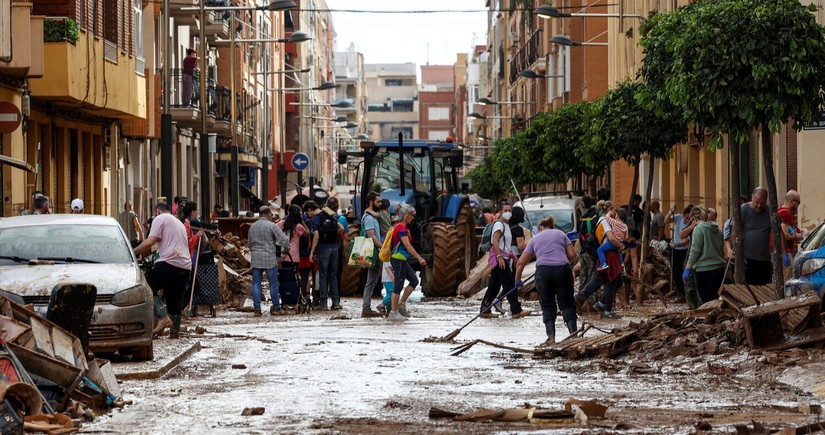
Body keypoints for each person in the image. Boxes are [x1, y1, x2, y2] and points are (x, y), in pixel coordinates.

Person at [515, 215, 577, 346]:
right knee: (567, 302)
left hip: (543, 272)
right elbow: (572, 255)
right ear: (552, 226)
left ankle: (551, 337)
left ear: (540, 228)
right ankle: (574, 335)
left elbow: (521, 262)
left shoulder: (535, 239)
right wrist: (564, 263)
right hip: (562, 270)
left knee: (547, 304)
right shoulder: (561, 234)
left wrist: (518, 279)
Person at [133, 203, 192, 338]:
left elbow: (150, 241)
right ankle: (174, 333)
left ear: (157, 211)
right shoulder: (179, 223)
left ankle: (162, 318)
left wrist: (133, 251)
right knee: (174, 300)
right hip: (185, 266)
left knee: (146, 285)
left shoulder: (160, 219)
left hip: (170, 262)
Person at [575, 214, 640, 319]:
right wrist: (620, 246)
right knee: (611, 283)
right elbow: (611, 239)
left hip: (609, 259)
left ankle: (586, 298)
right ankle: (607, 311)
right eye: (631, 239)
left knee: (606, 281)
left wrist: (635, 271)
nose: (632, 241)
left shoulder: (628, 241)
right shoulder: (612, 229)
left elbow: (633, 256)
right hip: (609, 258)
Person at [480, 202, 531, 319]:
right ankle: (516, 310)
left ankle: (485, 308)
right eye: (505, 210)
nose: (508, 213)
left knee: (494, 286)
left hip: (505, 258)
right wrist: (499, 257)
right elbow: (495, 241)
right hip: (500, 260)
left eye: (509, 210)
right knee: (509, 284)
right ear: (500, 212)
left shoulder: (507, 226)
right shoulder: (499, 225)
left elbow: (506, 244)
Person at [387, 204, 426, 321]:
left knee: (414, 280)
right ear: (405, 216)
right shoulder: (401, 228)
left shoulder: (398, 226)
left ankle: (401, 304)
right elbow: (408, 246)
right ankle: (393, 313)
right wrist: (419, 258)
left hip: (401, 259)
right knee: (398, 285)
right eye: (411, 216)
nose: (412, 218)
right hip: (398, 259)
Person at [249, 206, 290, 316]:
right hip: (269, 258)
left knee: (256, 283)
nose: (272, 216)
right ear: (267, 214)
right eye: (271, 214)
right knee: (273, 283)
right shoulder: (272, 226)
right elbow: (284, 240)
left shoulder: (252, 227)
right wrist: (286, 250)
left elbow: (249, 244)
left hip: (256, 258)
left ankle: (257, 309)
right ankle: (276, 307)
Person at [682, 206, 726, 303]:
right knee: (715, 299)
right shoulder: (717, 229)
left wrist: (688, 267)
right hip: (719, 269)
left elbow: (695, 250)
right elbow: (721, 248)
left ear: (694, 218)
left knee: (705, 301)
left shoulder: (699, 229)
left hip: (705, 270)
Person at [310, 198, 346, 310]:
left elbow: (316, 236)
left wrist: (312, 252)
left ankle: (323, 303)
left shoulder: (317, 218)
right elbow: (342, 228)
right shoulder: (334, 216)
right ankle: (335, 303)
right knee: (333, 276)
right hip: (335, 248)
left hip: (323, 249)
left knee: (323, 275)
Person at [359, 192, 385, 318]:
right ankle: (391, 307)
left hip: (376, 252)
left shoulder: (372, 216)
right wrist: (382, 247)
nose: (380, 204)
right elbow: (371, 235)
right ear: (371, 202)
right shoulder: (369, 218)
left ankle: (366, 308)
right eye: (378, 201)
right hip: (374, 253)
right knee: (388, 279)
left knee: (371, 281)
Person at [741, 187, 771, 285]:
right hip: (748, 259)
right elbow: (735, 233)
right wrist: (739, 254)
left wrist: (783, 253)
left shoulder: (769, 211)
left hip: (764, 260)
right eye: (757, 202)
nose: (759, 206)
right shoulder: (744, 210)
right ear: (752, 198)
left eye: (762, 203)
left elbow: (778, 232)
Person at [277, 205, 308, 298]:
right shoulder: (298, 226)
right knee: (293, 278)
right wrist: (302, 221)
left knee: (284, 278)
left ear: (288, 212)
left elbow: (273, 231)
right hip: (293, 256)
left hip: (282, 255)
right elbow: (308, 234)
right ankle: (294, 296)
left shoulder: (281, 223)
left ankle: (285, 296)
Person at [665, 205, 694, 301]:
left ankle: (688, 292)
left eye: (689, 218)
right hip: (675, 251)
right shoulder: (678, 217)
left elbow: (686, 241)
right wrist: (670, 212)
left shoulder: (692, 226)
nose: (687, 220)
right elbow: (666, 221)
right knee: (676, 271)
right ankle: (680, 292)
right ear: (683, 215)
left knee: (685, 271)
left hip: (685, 250)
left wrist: (676, 245)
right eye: (686, 217)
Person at [778, 190, 804, 279]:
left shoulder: (780, 211)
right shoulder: (786, 213)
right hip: (784, 251)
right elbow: (784, 235)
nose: (798, 205)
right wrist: (798, 236)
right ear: (792, 201)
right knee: (787, 278)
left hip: (779, 251)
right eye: (798, 202)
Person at [595, 204, 628, 272]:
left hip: (613, 244)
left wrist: (609, 213)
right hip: (620, 241)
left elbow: (612, 239)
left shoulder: (614, 222)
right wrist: (621, 244)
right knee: (618, 251)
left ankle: (603, 263)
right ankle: (621, 262)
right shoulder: (625, 226)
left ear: (617, 216)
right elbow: (626, 237)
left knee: (599, 250)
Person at [301, 201, 320, 305]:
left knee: (305, 276)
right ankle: (317, 299)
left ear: (309, 210)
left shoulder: (308, 223)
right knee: (316, 276)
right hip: (318, 252)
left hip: (307, 253)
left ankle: (305, 298)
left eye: (306, 212)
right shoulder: (320, 219)